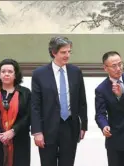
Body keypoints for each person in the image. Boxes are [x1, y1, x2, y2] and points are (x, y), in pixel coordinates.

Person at [31, 36, 88, 166]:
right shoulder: (39, 74)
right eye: (63, 52)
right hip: (47, 128)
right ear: (53, 52)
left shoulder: (76, 72)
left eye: (69, 51)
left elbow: (82, 101)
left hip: (69, 127)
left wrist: (83, 125)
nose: (67, 55)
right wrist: (37, 132)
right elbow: (35, 105)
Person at [95, 51, 124, 166]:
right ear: (105, 68)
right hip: (116, 139)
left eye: (120, 64)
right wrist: (104, 126)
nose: (118, 68)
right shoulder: (101, 89)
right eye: (114, 66)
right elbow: (100, 114)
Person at [0, 59, 31, 166]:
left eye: (10, 72)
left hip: (19, 139)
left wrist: (13, 131)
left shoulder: (25, 93)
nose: (6, 74)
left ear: (16, 75)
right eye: (3, 71)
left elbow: (29, 116)